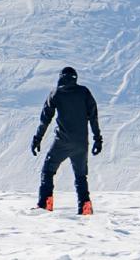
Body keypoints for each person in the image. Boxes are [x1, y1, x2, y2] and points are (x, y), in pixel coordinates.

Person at [32, 66, 103, 214]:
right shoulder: (84, 92)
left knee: (48, 170)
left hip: (61, 142)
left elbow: (45, 120)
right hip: (81, 144)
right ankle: (85, 206)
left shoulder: (56, 94)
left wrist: (37, 139)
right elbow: (93, 117)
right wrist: (97, 139)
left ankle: (46, 203)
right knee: (81, 176)